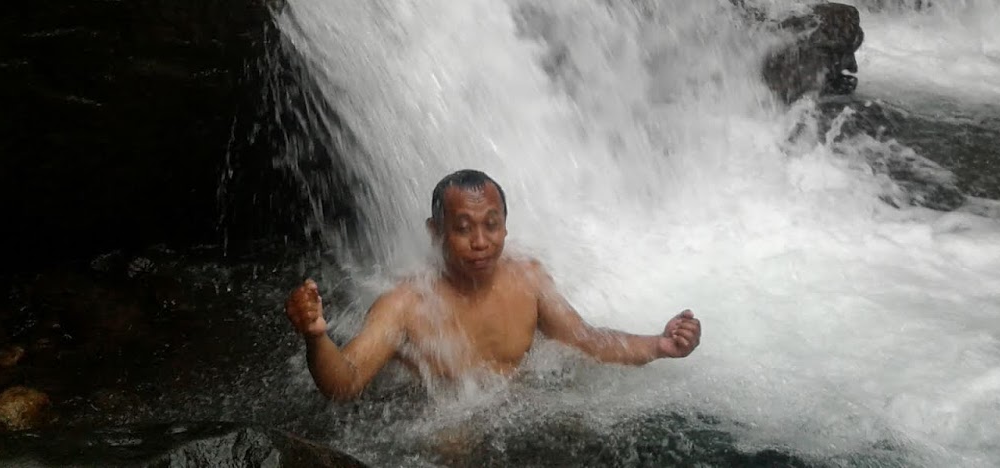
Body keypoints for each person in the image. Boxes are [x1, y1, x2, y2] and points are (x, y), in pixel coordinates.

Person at [283, 169, 702, 401]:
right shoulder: (406, 304)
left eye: (491, 225)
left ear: (505, 227)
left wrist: (659, 344)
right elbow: (346, 383)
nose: (481, 242)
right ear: (435, 232)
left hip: (520, 408)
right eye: (463, 228)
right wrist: (317, 337)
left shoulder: (528, 280)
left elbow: (585, 340)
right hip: (440, 427)